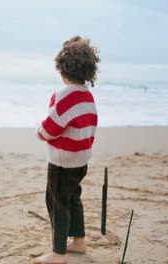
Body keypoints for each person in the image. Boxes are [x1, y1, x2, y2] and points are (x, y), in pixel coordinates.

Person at [34, 36, 100, 264]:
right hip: (81, 159)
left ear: (62, 69)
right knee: (73, 198)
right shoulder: (87, 95)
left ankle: (58, 253)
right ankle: (79, 242)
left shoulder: (64, 96)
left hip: (62, 162)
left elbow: (50, 129)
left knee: (56, 202)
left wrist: (39, 132)